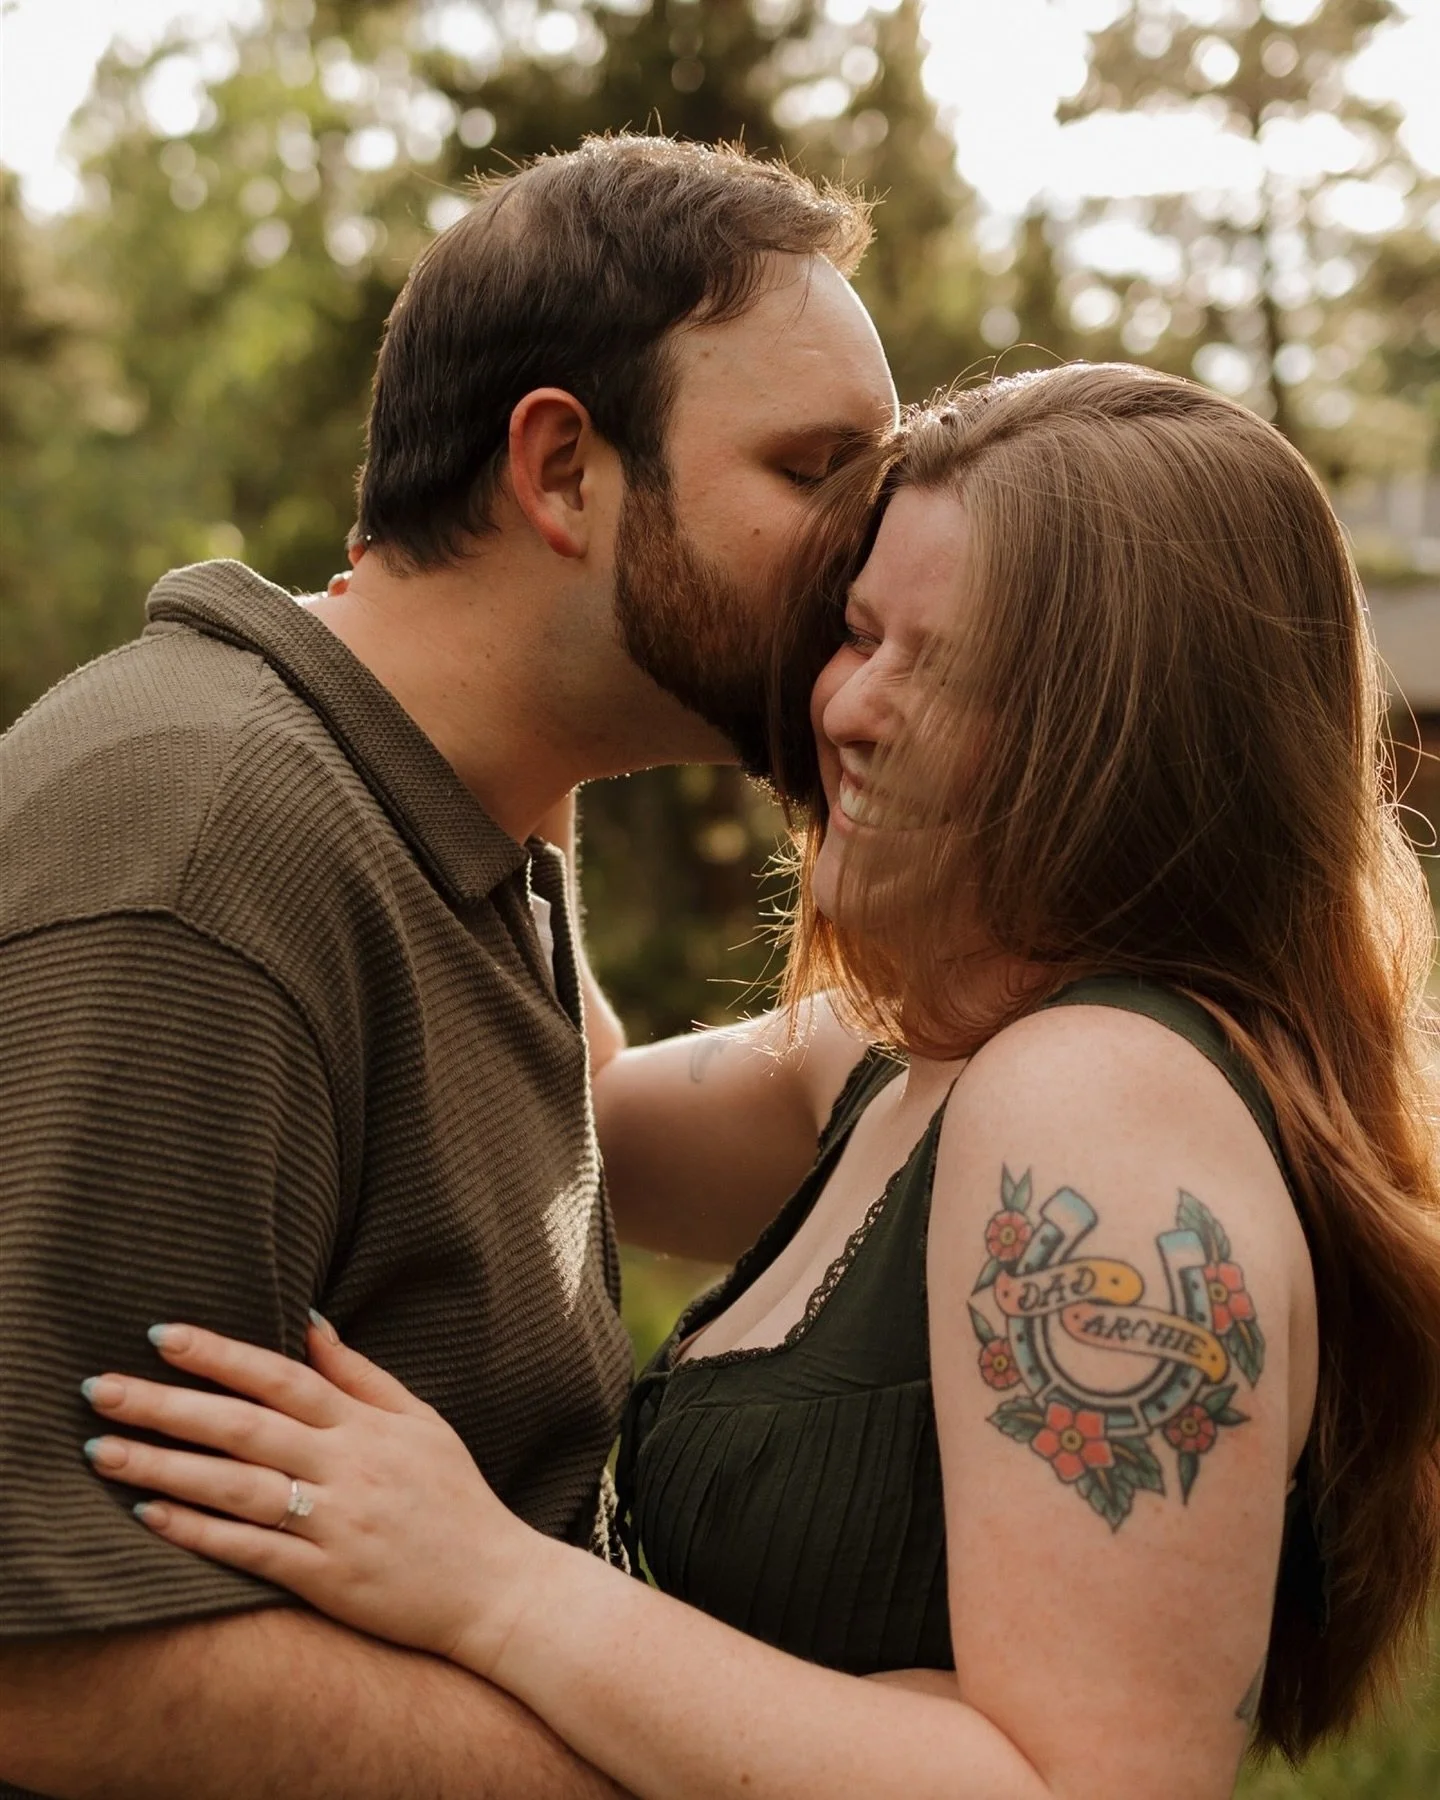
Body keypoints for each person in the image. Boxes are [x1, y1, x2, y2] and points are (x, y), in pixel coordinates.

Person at [77, 364, 1440, 1800]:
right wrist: (526, 700)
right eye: (858, 633)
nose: (847, 705)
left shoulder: (1097, 1106)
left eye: (945, 666)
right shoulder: (905, 1060)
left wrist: (489, 1586)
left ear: (1130, 742)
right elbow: (574, 1097)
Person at [0, 134, 897, 1799]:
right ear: (561, 471)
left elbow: (645, 1122)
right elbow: (46, 1664)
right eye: (814, 472)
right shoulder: (204, 854)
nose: (871, 556)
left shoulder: (454, 820)